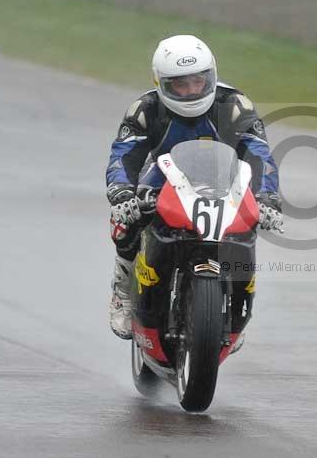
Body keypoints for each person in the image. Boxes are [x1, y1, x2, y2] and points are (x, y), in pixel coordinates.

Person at [105, 34, 282, 339]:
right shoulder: (145, 108)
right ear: (162, 83)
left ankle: (235, 304)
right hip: (163, 179)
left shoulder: (235, 105)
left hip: (223, 180)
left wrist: (266, 197)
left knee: (248, 225)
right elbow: (124, 153)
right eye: (180, 85)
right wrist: (122, 191)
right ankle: (122, 291)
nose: (190, 91)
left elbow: (259, 152)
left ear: (211, 75)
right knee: (125, 220)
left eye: (197, 82)